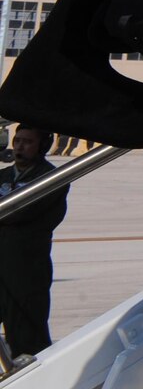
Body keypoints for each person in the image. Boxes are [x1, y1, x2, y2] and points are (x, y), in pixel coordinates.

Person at [0, 123, 68, 358]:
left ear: (42, 145)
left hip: (27, 272)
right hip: (2, 265)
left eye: (27, 142)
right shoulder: (4, 176)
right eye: (17, 141)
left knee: (27, 337)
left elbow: (24, 213)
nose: (20, 146)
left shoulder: (51, 180)